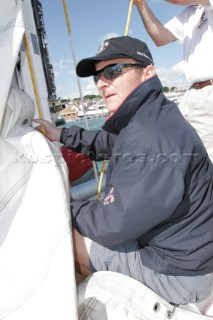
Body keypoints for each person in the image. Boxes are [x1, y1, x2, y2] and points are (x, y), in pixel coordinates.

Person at [33, 36, 213, 312]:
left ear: (148, 72)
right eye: (98, 75)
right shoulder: (150, 116)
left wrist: (62, 208)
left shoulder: (151, 138)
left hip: (181, 274)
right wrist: (61, 134)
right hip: (188, 249)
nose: (102, 83)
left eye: (113, 71)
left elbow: (113, 222)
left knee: (63, 237)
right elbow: (109, 143)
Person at [130, 0, 213, 162]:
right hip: (192, 94)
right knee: (178, 152)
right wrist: (141, 4)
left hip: (210, 93)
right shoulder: (191, 12)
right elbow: (160, 37)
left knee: (208, 161)